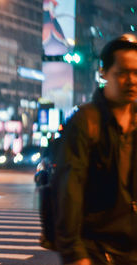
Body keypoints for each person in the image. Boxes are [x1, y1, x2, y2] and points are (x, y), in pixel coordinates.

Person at [54, 33, 137, 265]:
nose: (131, 81)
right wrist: (76, 254)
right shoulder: (86, 122)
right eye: (122, 73)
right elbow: (69, 191)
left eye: (136, 73)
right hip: (97, 253)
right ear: (105, 74)